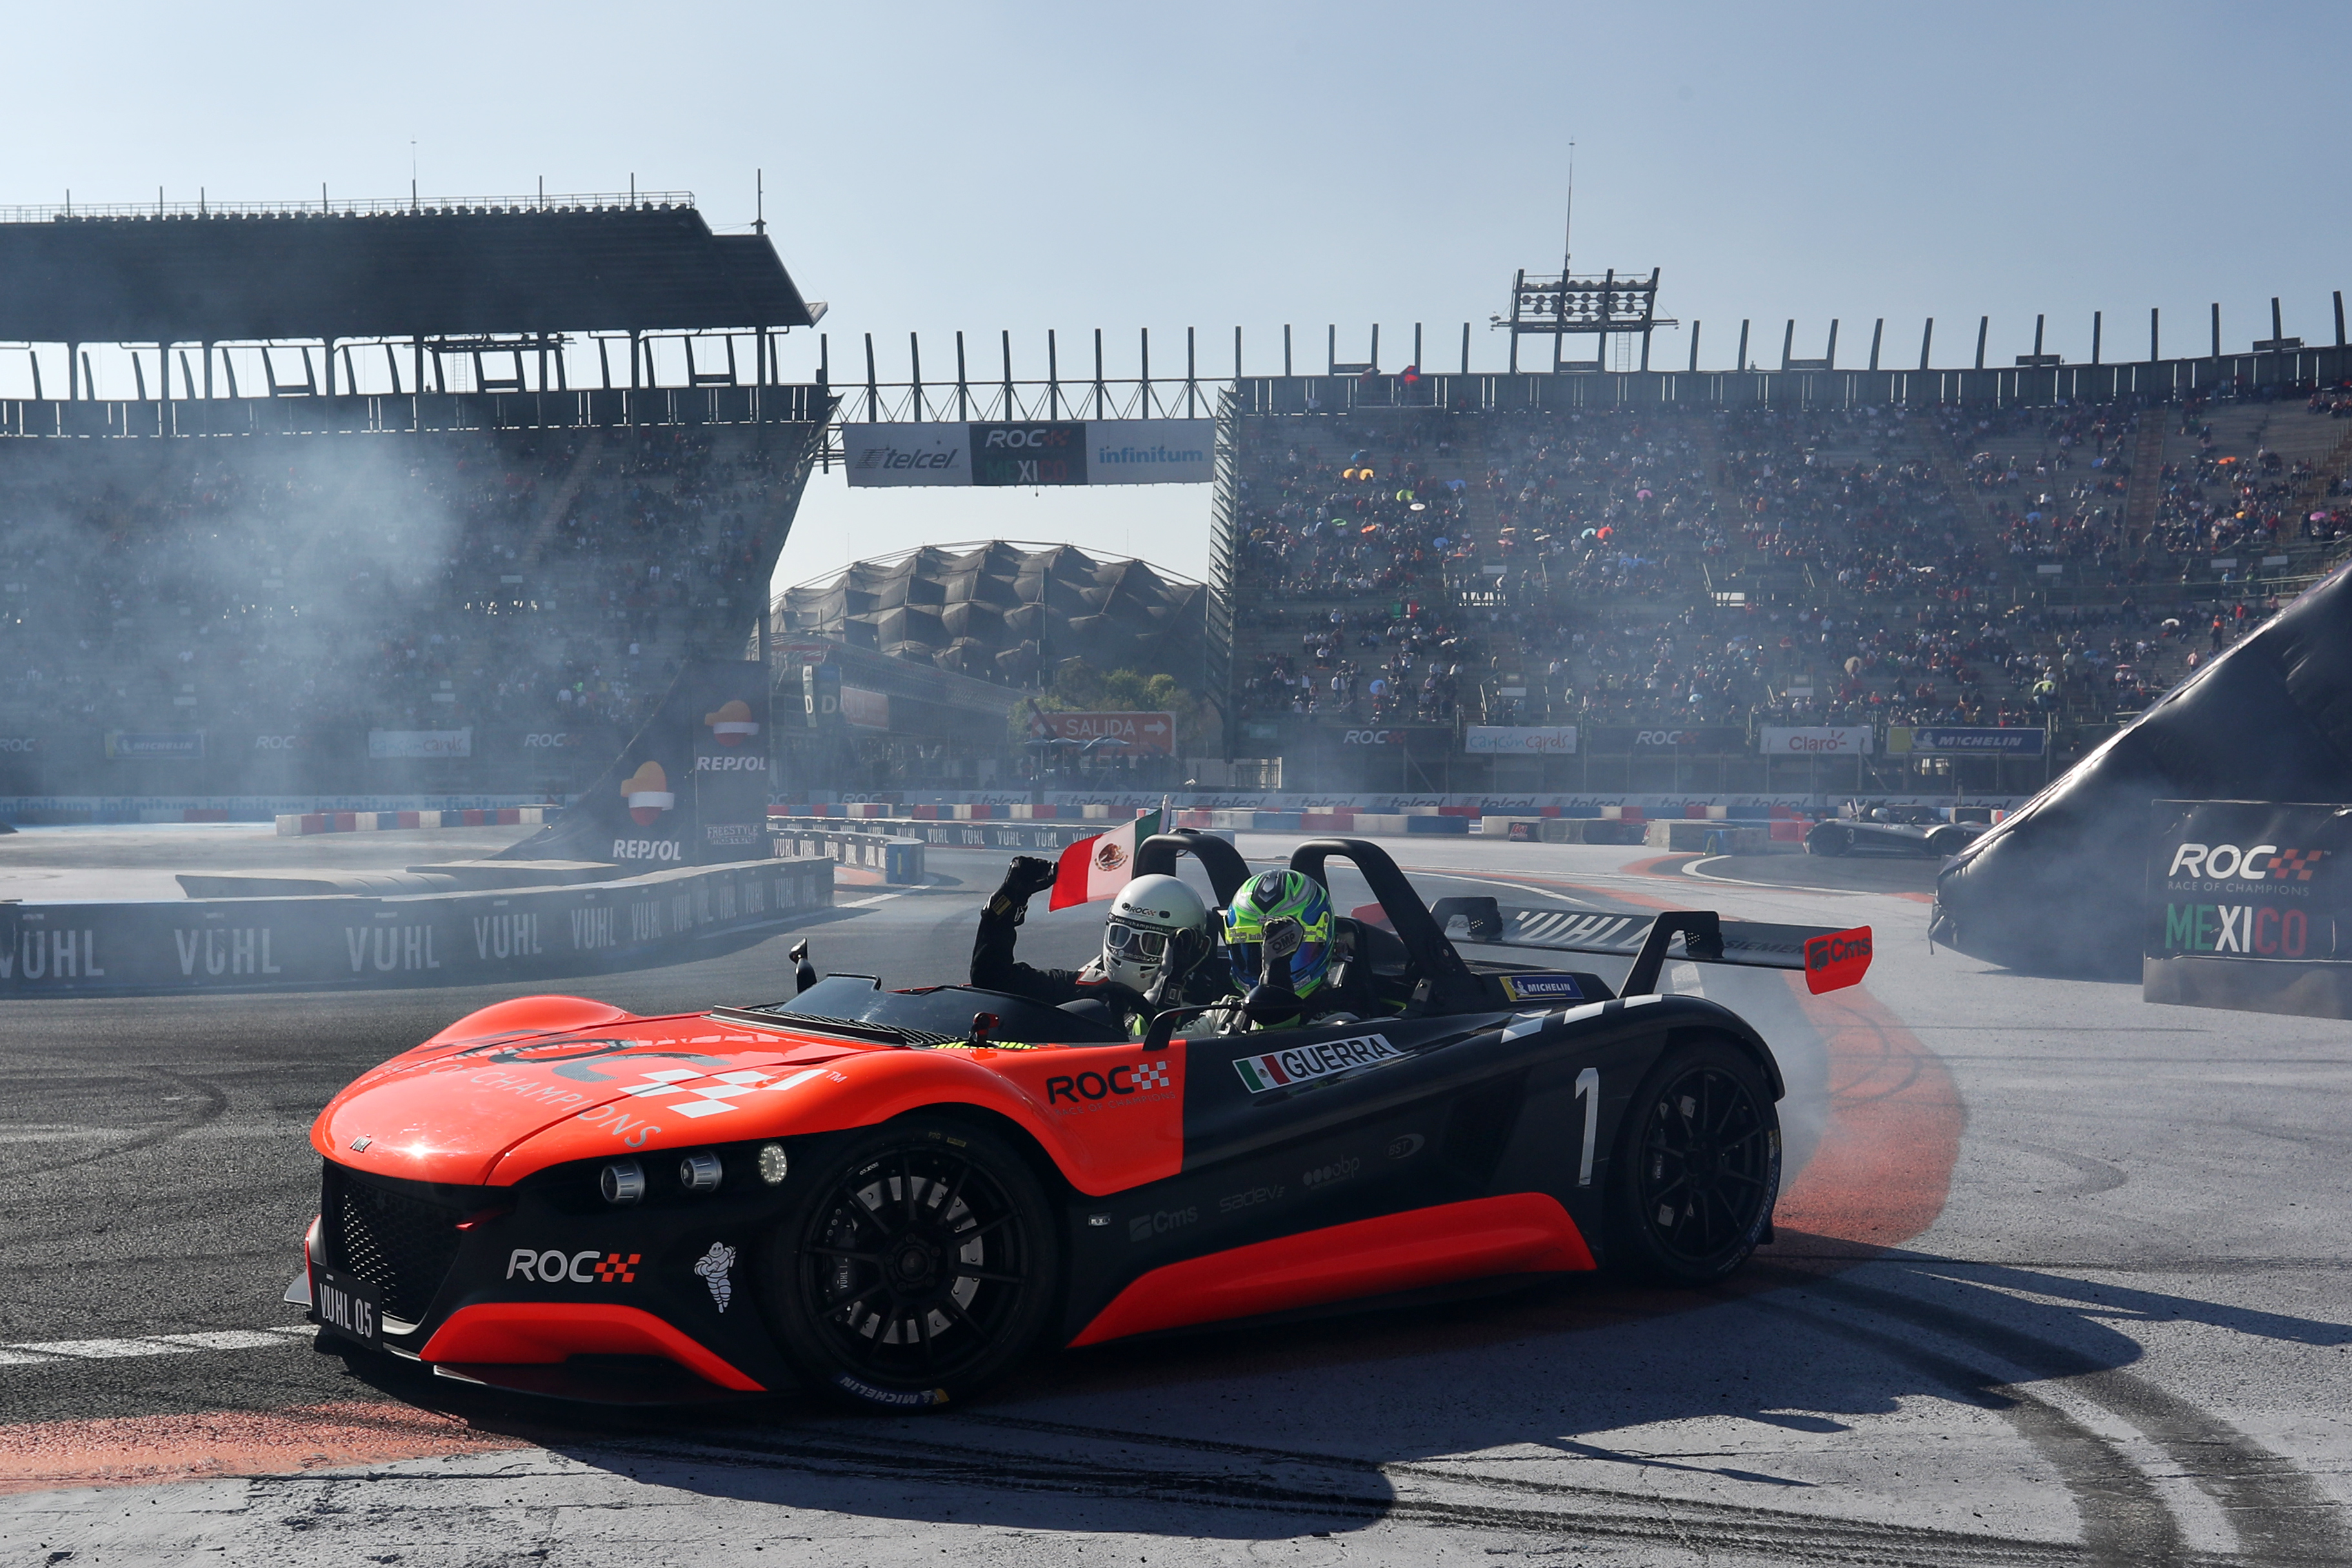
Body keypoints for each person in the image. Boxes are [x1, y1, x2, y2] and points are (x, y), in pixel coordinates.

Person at [969, 855, 1224, 1031]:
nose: (1128, 951)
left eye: (1151, 944)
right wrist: (1005, 905)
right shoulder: (1088, 987)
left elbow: (1155, 1052)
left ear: (1189, 946)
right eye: (1121, 936)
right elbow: (991, 979)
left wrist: (1167, 990)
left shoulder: (1212, 1011)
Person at [1214, 868, 1384, 1031]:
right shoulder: (1224, 1013)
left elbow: (1272, 1049)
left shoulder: (1340, 1024)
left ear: (1325, 943)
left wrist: (1276, 985)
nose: (1263, 963)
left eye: (1291, 953)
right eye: (1254, 952)